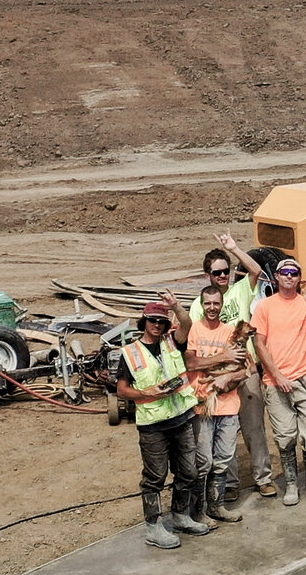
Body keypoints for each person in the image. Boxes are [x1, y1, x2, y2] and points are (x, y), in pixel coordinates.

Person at [117, 301, 203, 548]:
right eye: (153, 320)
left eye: (161, 321)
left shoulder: (172, 342)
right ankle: (153, 527)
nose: (156, 325)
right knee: (155, 477)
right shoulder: (131, 352)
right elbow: (122, 390)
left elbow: (187, 323)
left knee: (188, 472)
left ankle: (181, 515)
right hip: (153, 425)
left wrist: (175, 307)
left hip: (181, 417)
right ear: (144, 322)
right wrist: (147, 391)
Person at [254, 260, 306, 505]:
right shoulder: (264, 306)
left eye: (294, 273)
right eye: (285, 273)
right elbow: (259, 343)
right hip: (275, 382)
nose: (289, 277)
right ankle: (291, 485)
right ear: (277, 277)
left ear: (299, 278)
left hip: (304, 379)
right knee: (285, 436)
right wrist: (277, 376)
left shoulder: (305, 304)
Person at [207, 234, 281, 498]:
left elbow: (257, 270)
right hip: (220, 374)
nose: (223, 276)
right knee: (224, 429)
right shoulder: (201, 304)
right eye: (217, 273)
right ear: (209, 275)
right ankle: (229, 483)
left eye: (226, 271)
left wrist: (234, 249)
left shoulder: (240, 291)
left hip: (246, 371)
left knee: (253, 426)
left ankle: (263, 478)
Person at [179, 282, 250, 525]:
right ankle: (198, 510)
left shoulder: (231, 331)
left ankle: (217, 507)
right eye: (207, 303)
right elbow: (191, 364)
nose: (212, 308)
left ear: (222, 305)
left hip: (228, 406)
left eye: (216, 303)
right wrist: (224, 357)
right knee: (204, 461)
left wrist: (228, 376)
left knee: (222, 459)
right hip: (202, 405)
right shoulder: (194, 330)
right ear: (201, 305)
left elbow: (247, 370)